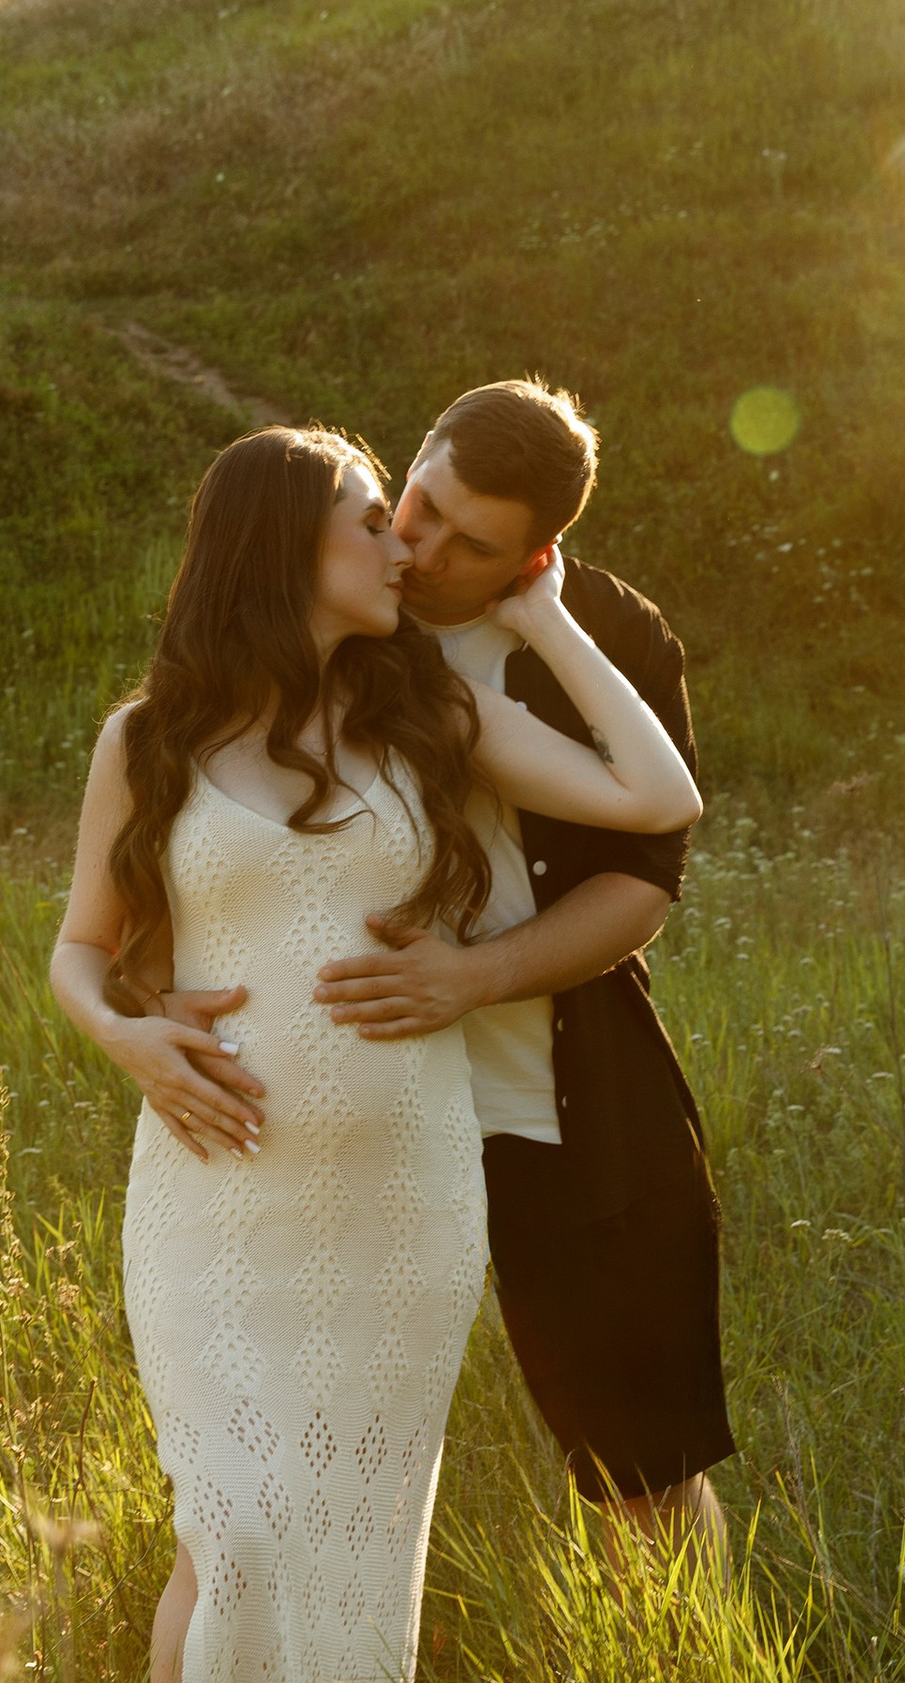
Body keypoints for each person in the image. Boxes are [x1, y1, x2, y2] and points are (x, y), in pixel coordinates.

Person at [48, 424, 702, 1683]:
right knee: (226, 1523)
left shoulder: (427, 719)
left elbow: (656, 802)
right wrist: (128, 1038)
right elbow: (81, 955)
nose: (399, 545)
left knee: (345, 1530)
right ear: (284, 546)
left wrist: (539, 613)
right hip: (217, 1193)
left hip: (403, 1195)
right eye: (370, 516)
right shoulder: (146, 738)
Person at [172, 379, 731, 1556]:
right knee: (310, 1455)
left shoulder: (614, 639)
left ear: (536, 553)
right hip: (347, 1108)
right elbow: (192, 824)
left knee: (642, 1466)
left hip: (556, 1101)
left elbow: (646, 872)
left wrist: (474, 977)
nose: (417, 550)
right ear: (413, 457)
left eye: (469, 544)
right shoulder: (331, 613)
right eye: (415, 505)